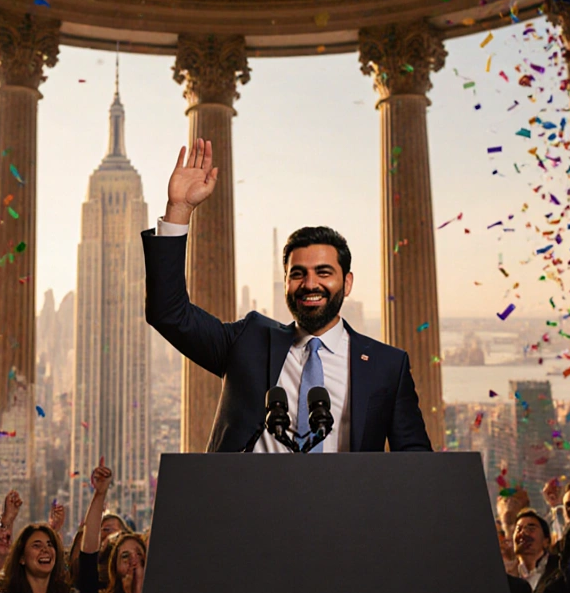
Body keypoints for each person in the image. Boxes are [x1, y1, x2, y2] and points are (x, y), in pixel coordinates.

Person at [141, 139, 432, 453]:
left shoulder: (387, 365)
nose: (309, 284)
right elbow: (168, 313)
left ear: (347, 283)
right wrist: (178, 211)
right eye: (298, 274)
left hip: (344, 502)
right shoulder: (248, 342)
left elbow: (415, 460)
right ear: (285, 284)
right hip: (247, 500)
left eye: (323, 272)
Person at [512, 509, 558, 593]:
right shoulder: (509, 575)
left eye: (531, 529)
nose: (523, 533)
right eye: (519, 529)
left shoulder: (559, 569)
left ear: (546, 541)